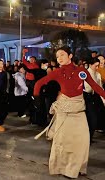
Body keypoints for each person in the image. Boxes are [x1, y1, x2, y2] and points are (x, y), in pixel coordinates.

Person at [34, 47, 105, 179]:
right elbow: (39, 83)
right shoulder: (57, 72)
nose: (59, 58)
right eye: (57, 56)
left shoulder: (81, 71)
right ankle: (62, 168)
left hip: (79, 111)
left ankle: (76, 168)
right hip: (64, 111)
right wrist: (36, 98)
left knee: (82, 141)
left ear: (70, 55)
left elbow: (95, 86)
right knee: (62, 142)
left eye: (62, 54)